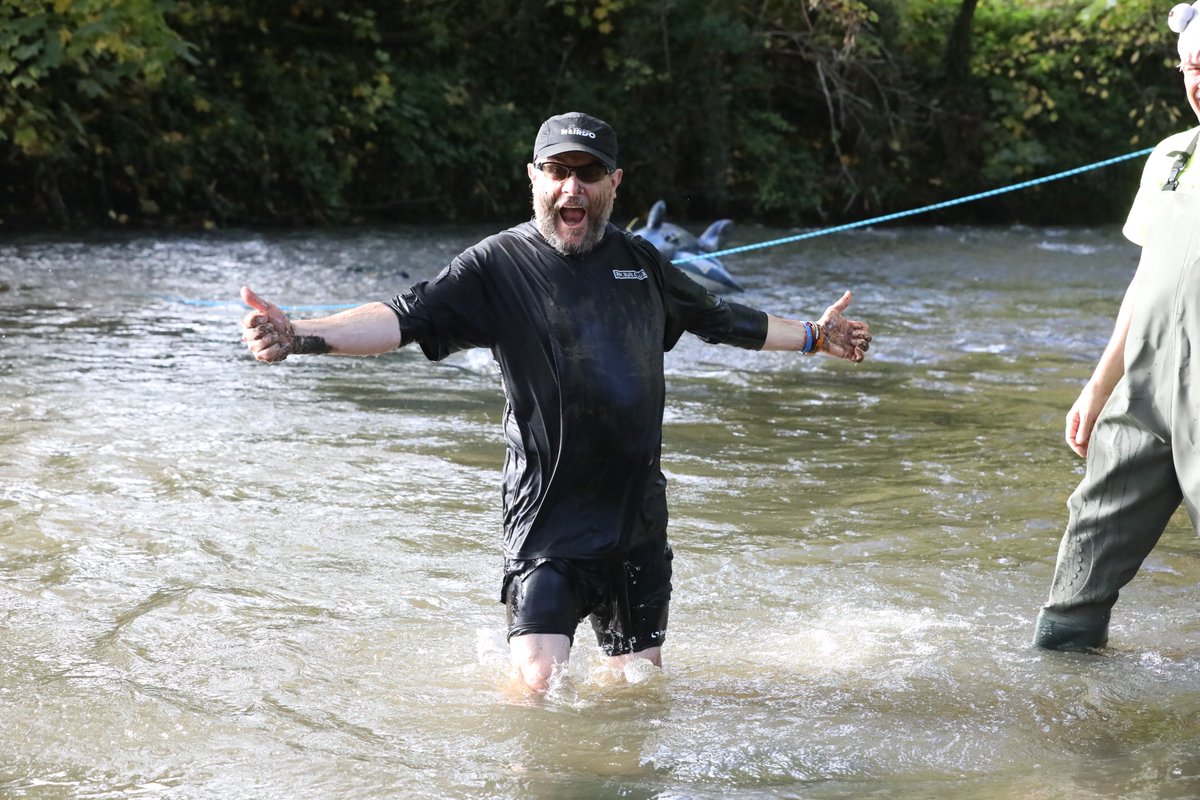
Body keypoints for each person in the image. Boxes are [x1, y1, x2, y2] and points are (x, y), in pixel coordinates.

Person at [241, 112, 873, 689]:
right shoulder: (496, 266)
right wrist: (300, 336)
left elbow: (722, 318)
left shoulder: (641, 262)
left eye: (589, 173)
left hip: (635, 526)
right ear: (535, 178)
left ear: (614, 183)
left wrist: (817, 338)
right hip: (548, 527)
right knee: (537, 688)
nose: (573, 188)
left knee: (638, 694)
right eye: (559, 172)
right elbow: (401, 318)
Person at [1033, 5, 1200, 650]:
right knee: (1086, 550)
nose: (1198, 82)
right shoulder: (1170, 158)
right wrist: (1097, 387)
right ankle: (1063, 711)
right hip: (1143, 394)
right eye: (1191, 68)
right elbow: (1143, 283)